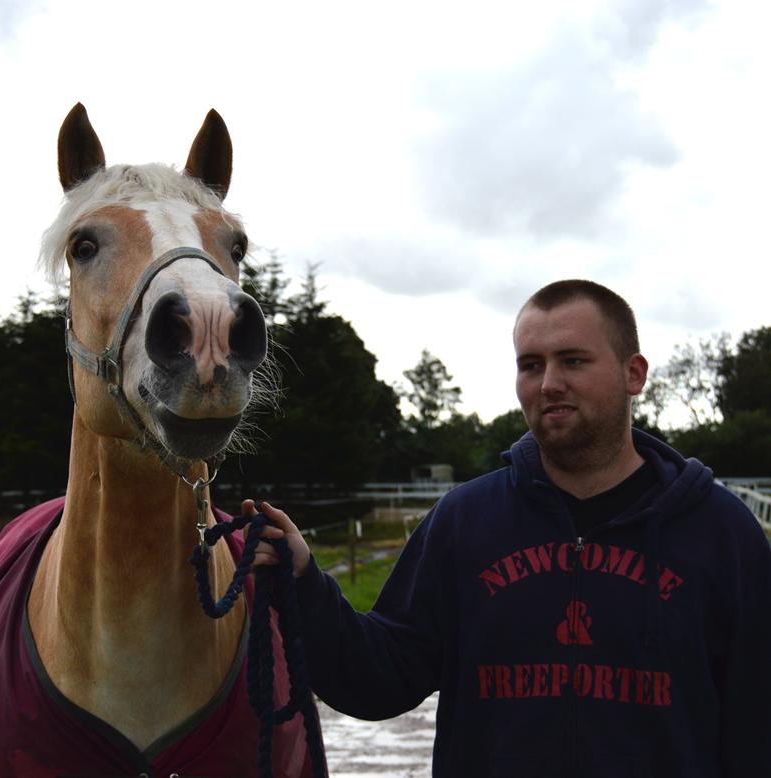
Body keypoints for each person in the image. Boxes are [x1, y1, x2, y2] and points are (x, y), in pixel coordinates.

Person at [246, 279, 771, 777]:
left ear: (634, 374)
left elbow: (754, 730)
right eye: (530, 364)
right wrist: (305, 583)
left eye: (573, 361)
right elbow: (380, 678)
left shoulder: (722, 533)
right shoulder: (465, 522)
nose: (549, 383)